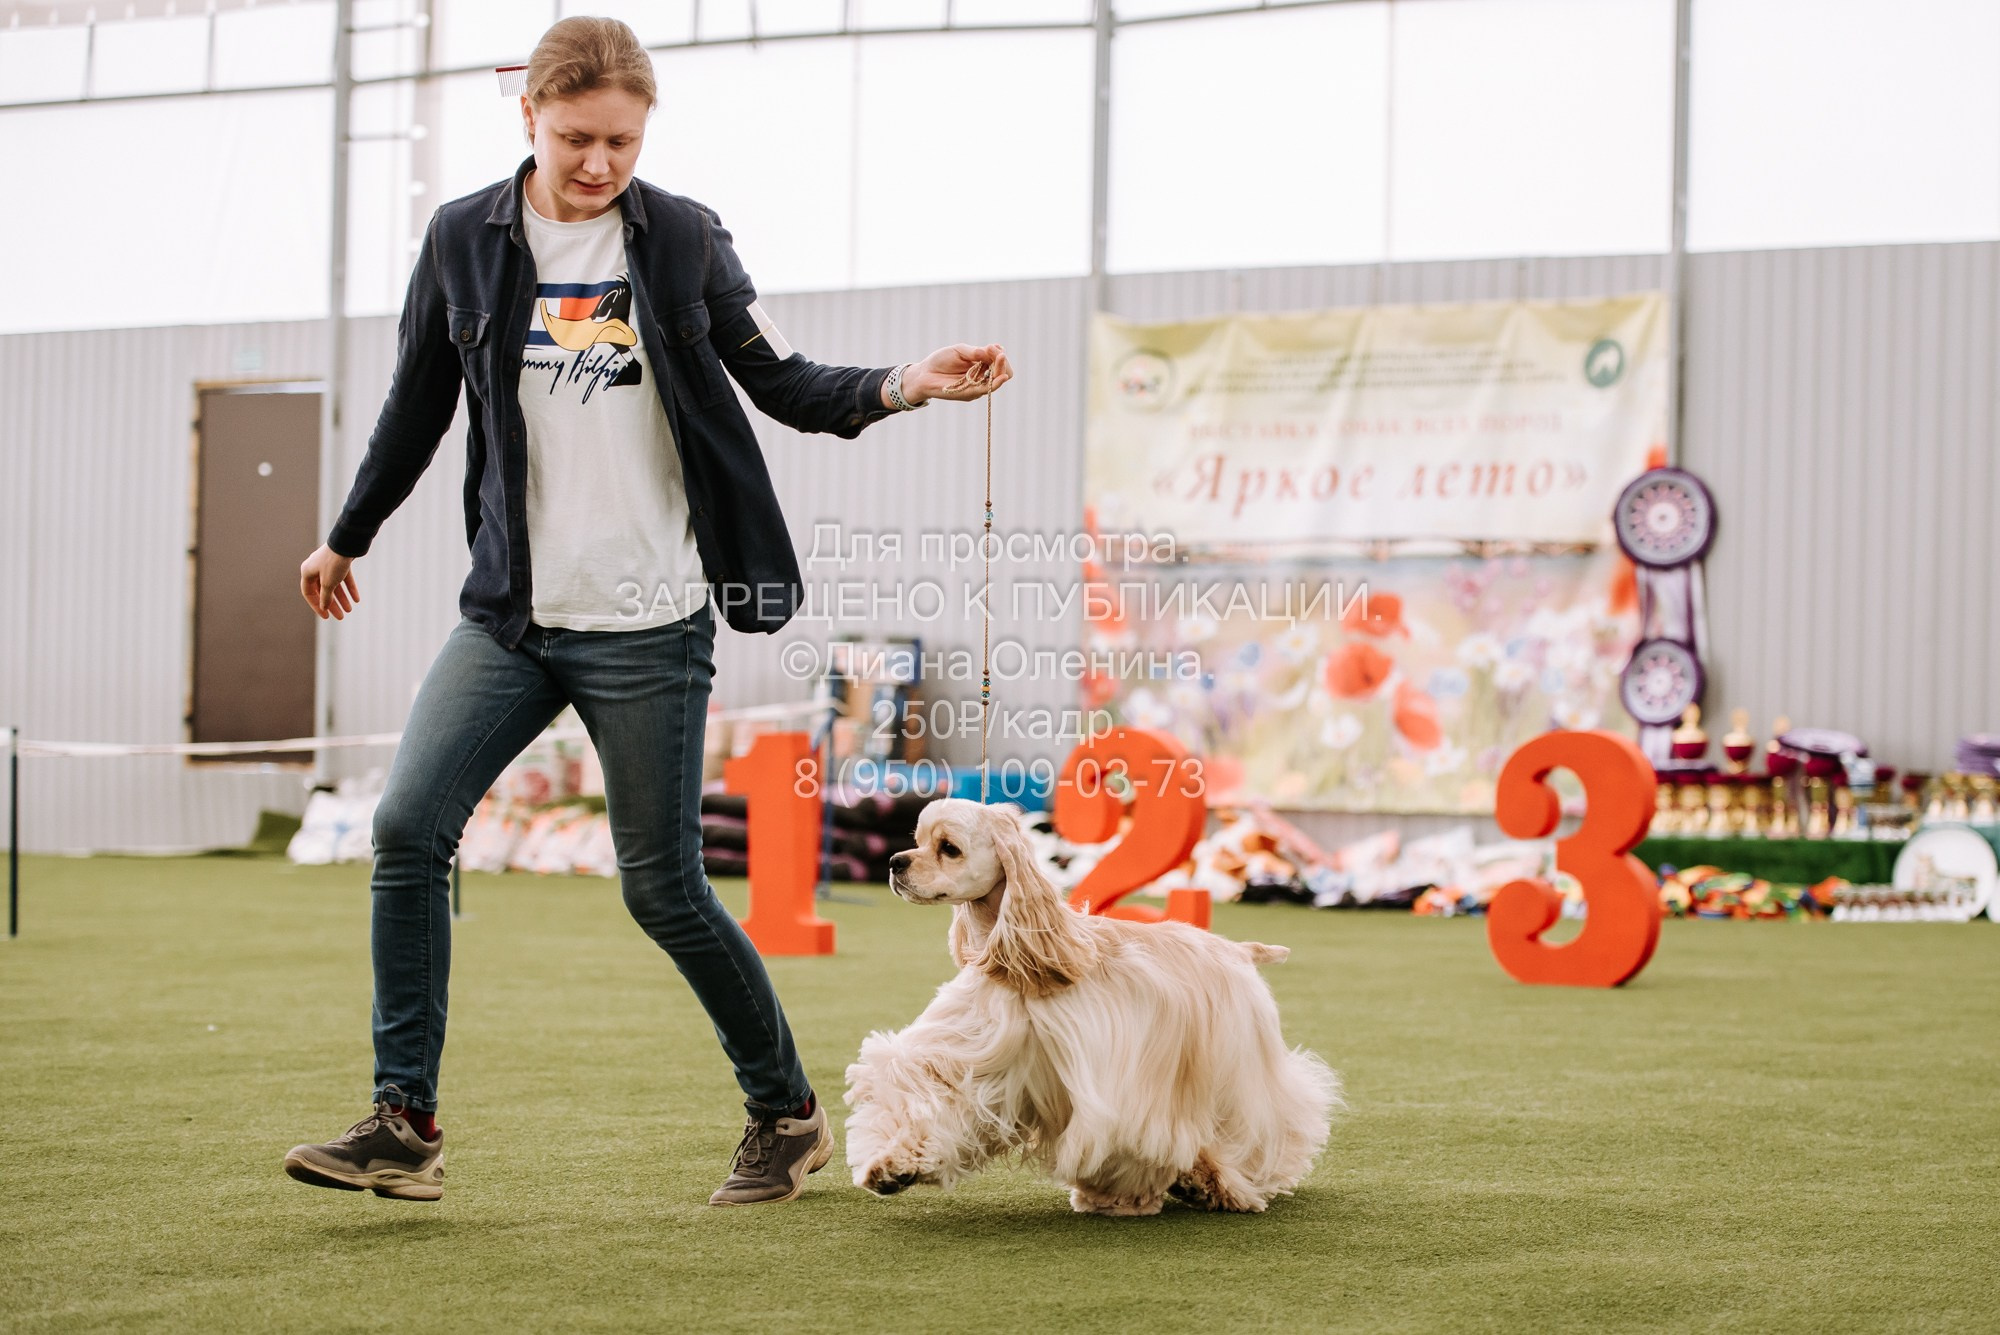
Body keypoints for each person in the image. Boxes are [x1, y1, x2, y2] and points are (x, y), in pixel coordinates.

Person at [280, 15, 1011, 1207]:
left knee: (661, 887)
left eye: (620, 141)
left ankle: (782, 1112)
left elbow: (779, 379)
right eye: (576, 138)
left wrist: (900, 384)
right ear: (529, 115)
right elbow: (416, 406)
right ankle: (403, 1122)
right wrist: (344, 534)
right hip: (512, 617)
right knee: (408, 831)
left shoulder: (680, 240)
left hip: (654, 620)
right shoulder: (462, 240)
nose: (597, 165)